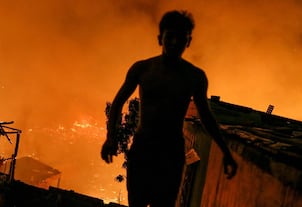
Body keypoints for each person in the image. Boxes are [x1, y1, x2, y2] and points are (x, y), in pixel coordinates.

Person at [101, 10, 238, 207]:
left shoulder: (195, 77)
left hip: (170, 153)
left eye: (180, 38)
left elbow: (206, 116)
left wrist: (226, 152)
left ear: (188, 42)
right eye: (169, 37)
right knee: (136, 202)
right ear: (160, 38)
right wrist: (110, 138)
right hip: (143, 149)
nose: (174, 42)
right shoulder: (142, 69)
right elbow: (117, 103)